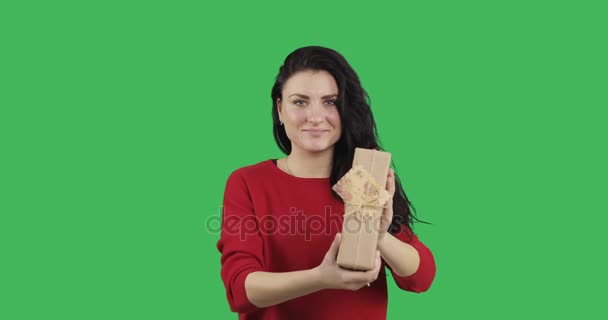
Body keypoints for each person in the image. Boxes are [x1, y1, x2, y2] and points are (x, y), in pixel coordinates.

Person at [216, 46, 436, 320]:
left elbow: (420, 277)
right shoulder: (249, 182)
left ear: (345, 110)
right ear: (279, 109)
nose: (315, 117)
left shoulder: (360, 178)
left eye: (330, 102)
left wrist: (380, 236)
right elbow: (240, 289)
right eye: (300, 102)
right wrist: (320, 278)